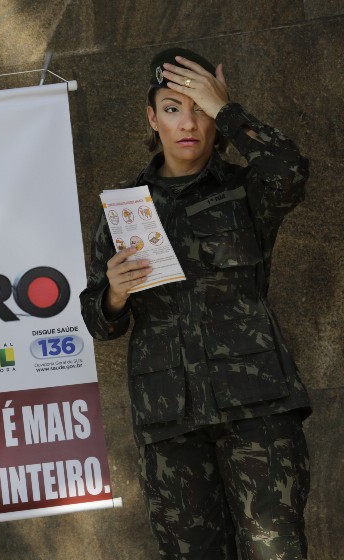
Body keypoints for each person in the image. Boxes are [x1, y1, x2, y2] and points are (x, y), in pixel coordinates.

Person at [79, 47, 312, 559]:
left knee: (279, 551)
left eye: (200, 109)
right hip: (170, 420)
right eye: (172, 108)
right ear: (151, 117)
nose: (188, 123)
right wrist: (115, 293)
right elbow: (99, 321)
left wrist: (228, 108)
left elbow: (291, 168)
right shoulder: (124, 208)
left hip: (257, 408)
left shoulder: (248, 188)